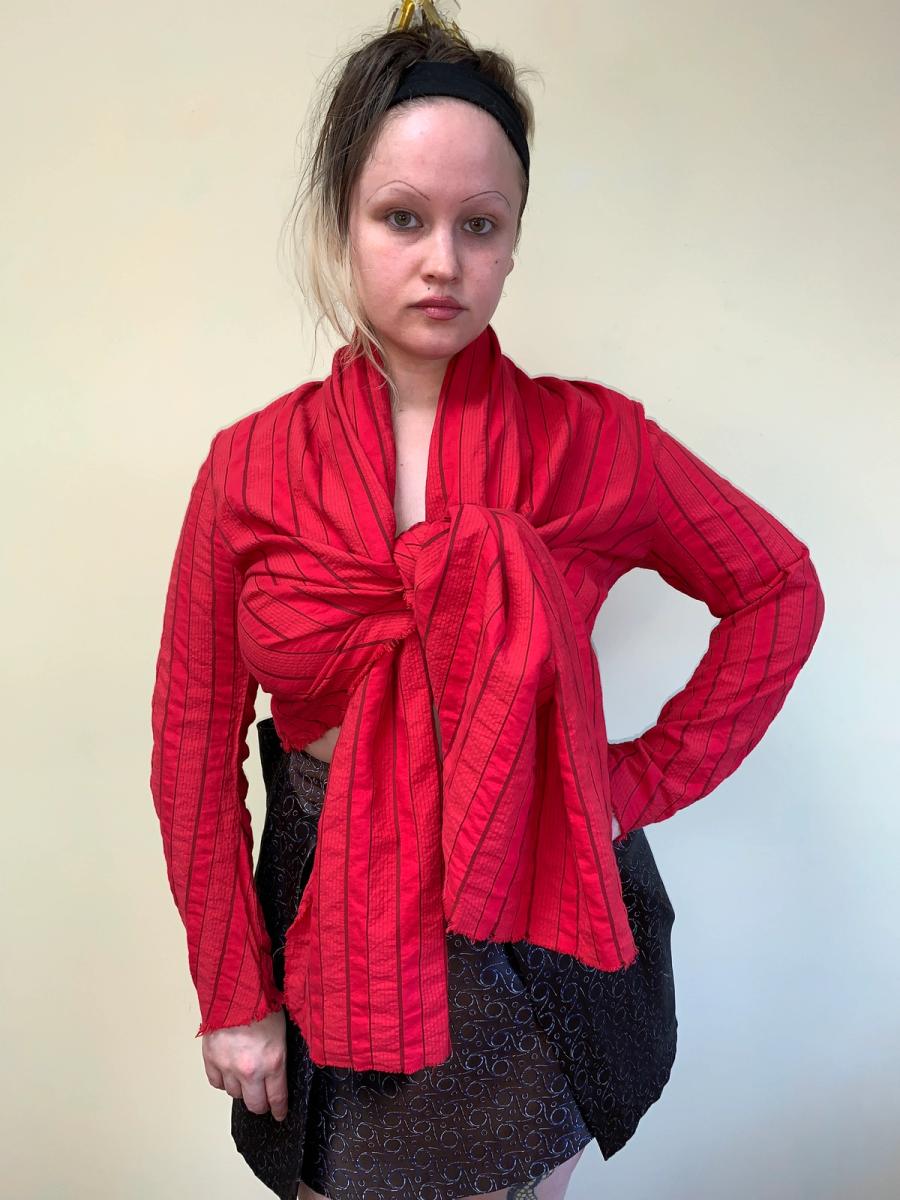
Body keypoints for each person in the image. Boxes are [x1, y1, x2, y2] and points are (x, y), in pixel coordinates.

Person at [149, 7, 825, 1200]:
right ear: (341, 219)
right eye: (402, 217)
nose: (443, 262)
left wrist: (631, 784)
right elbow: (191, 745)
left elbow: (777, 588)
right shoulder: (246, 471)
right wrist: (232, 989)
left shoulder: (593, 445)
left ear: (514, 240)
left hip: (536, 959)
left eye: (481, 224)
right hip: (325, 944)